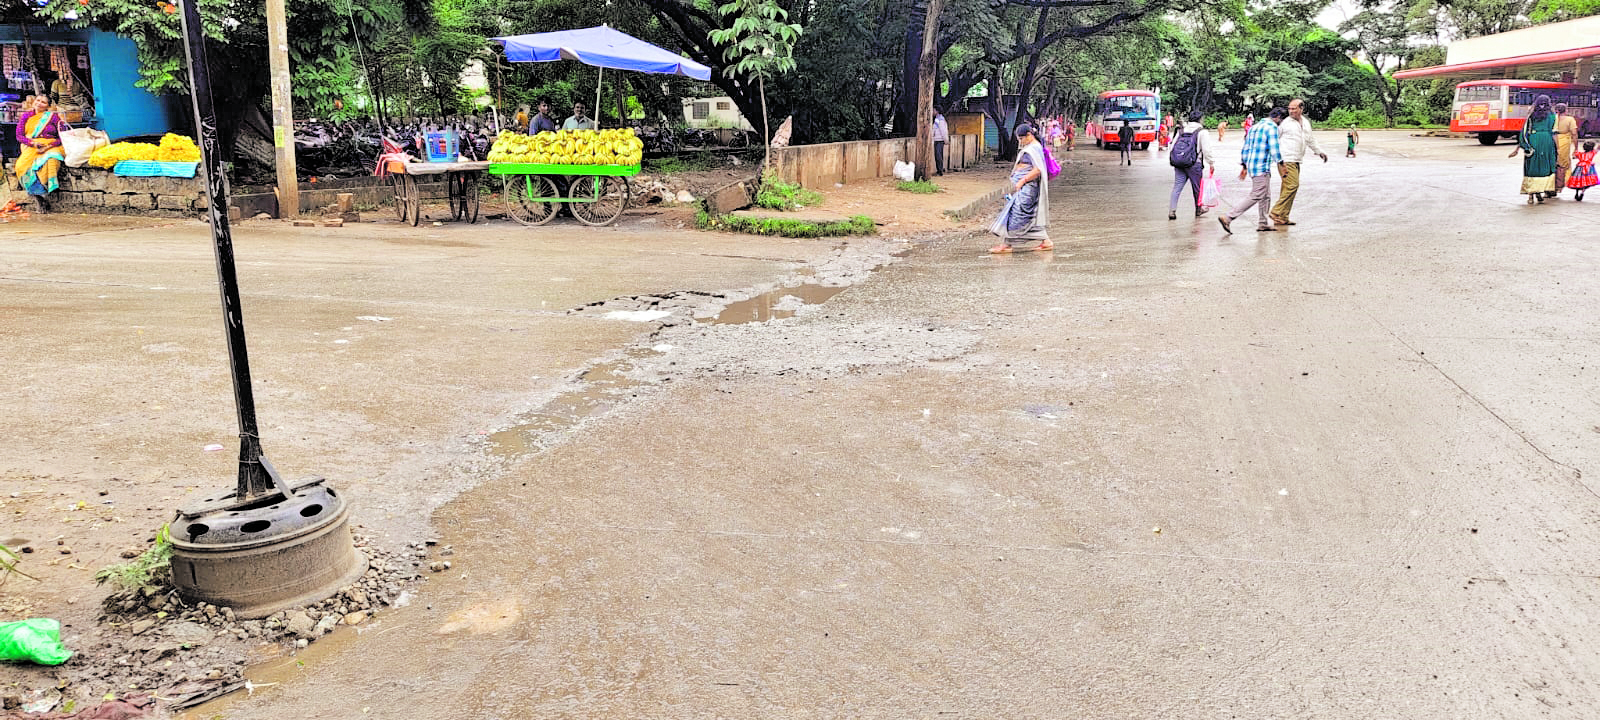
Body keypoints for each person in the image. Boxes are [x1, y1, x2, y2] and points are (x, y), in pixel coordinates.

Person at [1218, 106, 1286, 234]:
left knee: (1266, 195)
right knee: (1257, 194)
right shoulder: (1272, 128)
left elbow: (1246, 147)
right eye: (1281, 121)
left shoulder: (1254, 127)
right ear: (1278, 118)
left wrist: (1244, 165)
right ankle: (1228, 217)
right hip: (1261, 167)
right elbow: (1274, 148)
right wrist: (1282, 163)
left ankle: (1263, 223)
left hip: (1252, 165)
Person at [988, 123, 1051, 253]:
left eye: (1021, 139)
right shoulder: (1033, 147)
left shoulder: (1034, 148)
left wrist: (1022, 180)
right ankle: (1046, 241)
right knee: (1026, 216)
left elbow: (1038, 169)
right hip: (1026, 188)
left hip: (1028, 188)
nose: (1020, 142)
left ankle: (1007, 245)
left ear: (1029, 135)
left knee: (1016, 215)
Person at [1269, 98, 1328, 227]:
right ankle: (1276, 211)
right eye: (1289, 108)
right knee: (1292, 185)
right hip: (1286, 159)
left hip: (1296, 159)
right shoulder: (1285, 123)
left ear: (1301, 109)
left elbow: (1310, 139)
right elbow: (1274, 138)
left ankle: (1282, 217)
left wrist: (1320, 152)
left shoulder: (1306, 123)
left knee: (1288, 188)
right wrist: (1275, 158)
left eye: (1294, 109)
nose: (1290, 111)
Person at [14, 95, 65, 209]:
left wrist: (48, 146)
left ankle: (46, 192)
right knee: (21, 166)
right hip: (32, 146)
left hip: (51, 146)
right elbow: (19, 136)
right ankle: (38, 196)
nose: (39, 103)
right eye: (38, 100)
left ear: (48, 106)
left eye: (43, 102)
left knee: (50, 160)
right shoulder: (26, 116)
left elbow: (62, 137)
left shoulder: (53, 117)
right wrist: (33, 144)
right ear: (34, 101)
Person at [1168, 110, 1217, 220]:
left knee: (1177, 187)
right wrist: (1211, 163)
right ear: (1200, 119)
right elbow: (1206, 150)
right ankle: (1198, 210)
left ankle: (1172, 210)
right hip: (1194, 164)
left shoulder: (1181, 130)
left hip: (1179, 163)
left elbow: (1172, 147)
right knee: (1197, 188)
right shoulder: (1202, 131)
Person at [1510, 94, 1558, 204]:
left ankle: (1531, 195)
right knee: (1544, 167)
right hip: (1547, 141)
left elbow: (1524, 131)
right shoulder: (1552, 116)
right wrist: (1558, 149)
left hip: (1533, 140)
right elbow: (1554, 133)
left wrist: (1521, 146)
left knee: (1532, 166)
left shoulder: (1531, 115)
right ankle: (1540, 192)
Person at [1554, 102, 1578, 196]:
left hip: (1552, 140)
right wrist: (1575, 148)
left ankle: (1551, 186)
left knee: (1554, 163)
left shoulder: (1553, 118)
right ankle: (1560, 185)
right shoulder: (1570, 119)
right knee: (1563, 164)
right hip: (1564, 142)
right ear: (1566, 110)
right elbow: (1574, 133)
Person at [931, 109, 949, 176]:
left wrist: (945, 140)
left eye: (934, 110)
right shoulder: (938, 119)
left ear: (937, 111)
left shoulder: (940, 120)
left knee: (938, 155)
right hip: (937, 139)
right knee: (938, 155)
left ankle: (940, 171)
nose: (932, 112)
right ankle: (939, 170)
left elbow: (943, 131)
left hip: (939, 140)